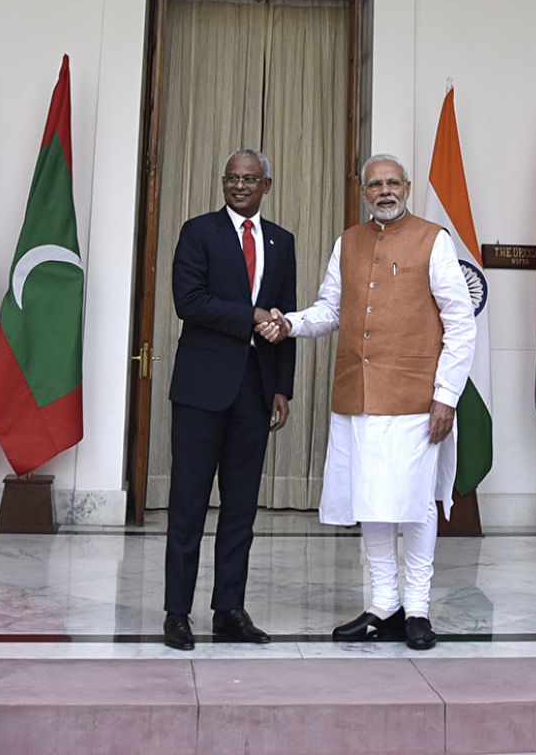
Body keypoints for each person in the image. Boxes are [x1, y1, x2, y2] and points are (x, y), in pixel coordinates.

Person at [258, 154, 475, 650]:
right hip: (358, 396)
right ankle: (384, 605)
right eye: (375, 184)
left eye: (393, 182)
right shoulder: (348, 242)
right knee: (371, 502)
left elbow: (461, 322)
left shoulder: (433, 239)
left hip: (418, 400)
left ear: (407, 186)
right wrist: (289, 322)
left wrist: (446, 396)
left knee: (416, 505)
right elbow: (330, 310)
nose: (385, 191)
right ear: (362, 190)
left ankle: (417, 608)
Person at [162, 149, 297, 651]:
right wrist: (250, 315)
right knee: (188, 504)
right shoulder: (198, 232)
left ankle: (229, 610)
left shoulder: (282, 241)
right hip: (200, 390)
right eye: (232, 179)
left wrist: (282, 386)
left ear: (267, 183)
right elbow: (188, 302)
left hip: (255, 392)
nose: (240, 186)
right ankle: (177, 612)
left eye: (250, 179)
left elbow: (287, 318)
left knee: (241, 508)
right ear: (223, 183)